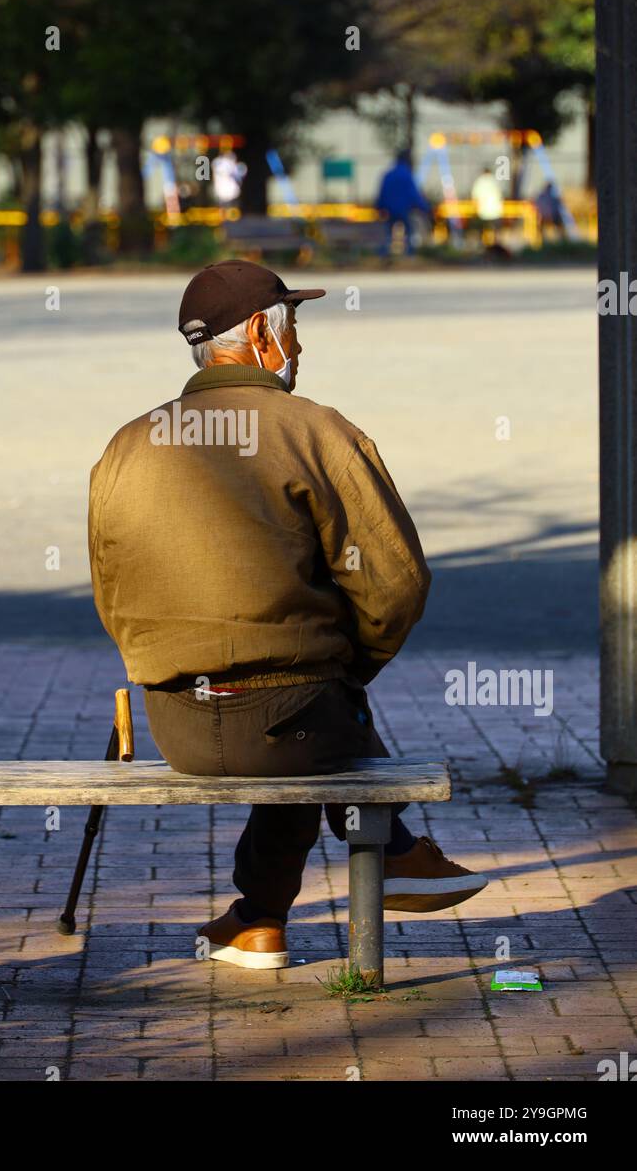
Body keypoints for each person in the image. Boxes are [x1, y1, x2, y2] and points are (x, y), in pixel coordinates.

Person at [88, 260, 487, 971]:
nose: (299, 347)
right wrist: (347, 667)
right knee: (307, 714)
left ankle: (259, 921)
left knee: (297, 721)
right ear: (263, 338)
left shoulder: (124, 446)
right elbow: (397, 583)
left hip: (175, 725)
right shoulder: (316, 432)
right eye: (294, 327)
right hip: (300, 717)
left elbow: (113, 598)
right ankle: (392, 852)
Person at [374, 151, 430, 257]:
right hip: (404, 210)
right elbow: (414, 195)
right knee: (409, 230)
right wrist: (425, 208)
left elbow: (381, 193)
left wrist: (379, 208)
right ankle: (409, 254)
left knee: (388, 233)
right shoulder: (407, 175)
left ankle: (384, 254)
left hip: (389, 210)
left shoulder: (388, 175)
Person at [471, 165, 505, 245]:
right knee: (496, 230)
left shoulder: (479, 181)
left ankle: (482, 243)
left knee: (482, 228)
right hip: (496, 210)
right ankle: (496, 243)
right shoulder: (495, 181)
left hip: (483, 211)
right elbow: (500, 194)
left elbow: (475, 196)